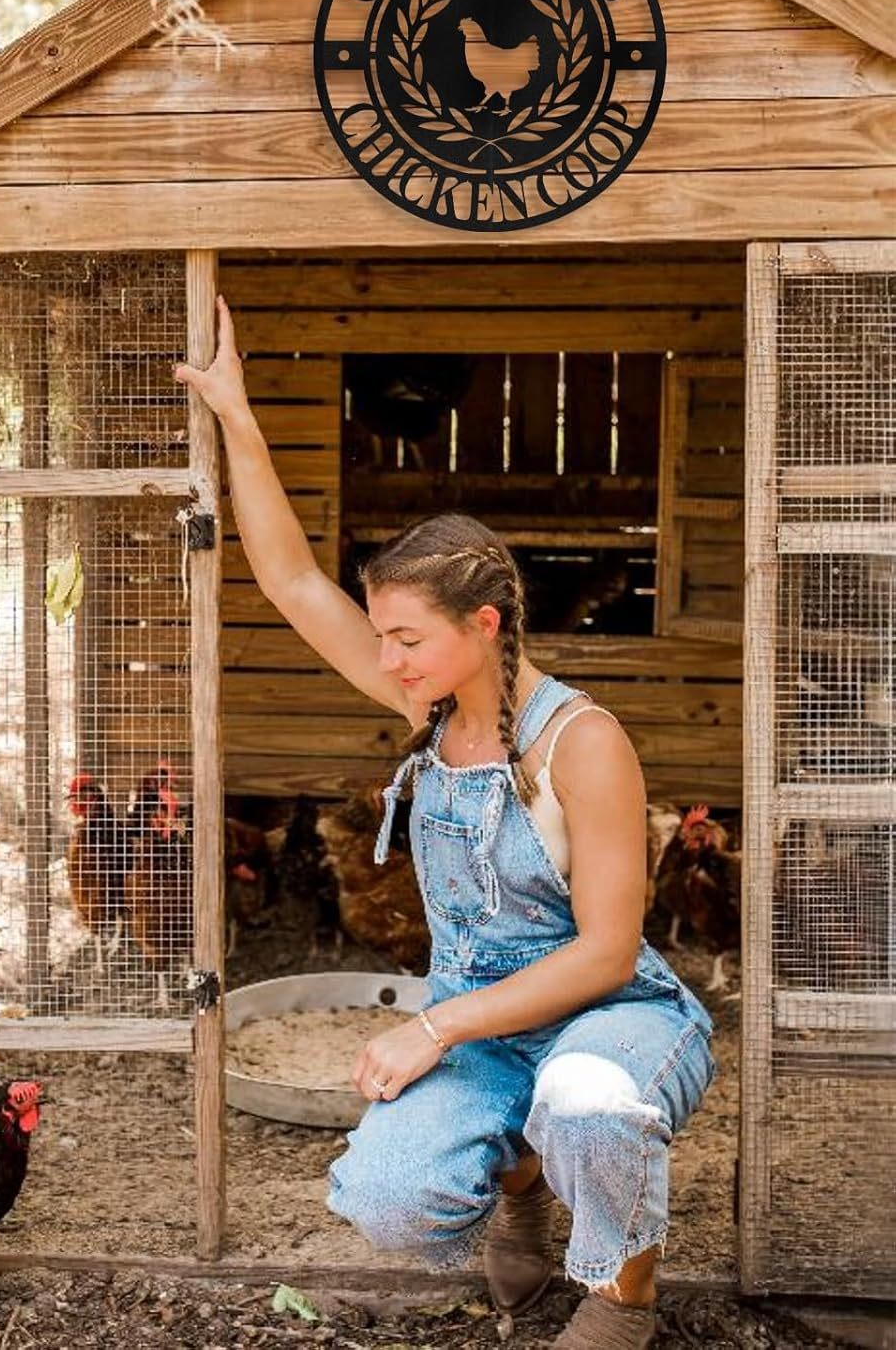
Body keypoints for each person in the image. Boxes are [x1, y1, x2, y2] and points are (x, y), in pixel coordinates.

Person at [175, 296, 715, 1350]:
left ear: (485, 624)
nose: (388, 661)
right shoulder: (429, 713)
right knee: (389, 1199)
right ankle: (523, 1182)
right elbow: (288, 582)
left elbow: (607, 953)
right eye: (381, 636)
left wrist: (435, 1024)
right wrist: (239, 416)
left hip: (614, 1022)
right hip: (489, 1027)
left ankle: (622, 1299)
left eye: (408, 638)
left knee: (592, 1106)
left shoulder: (581, 743)